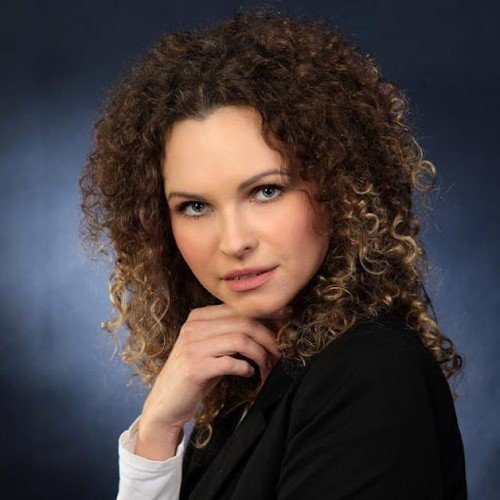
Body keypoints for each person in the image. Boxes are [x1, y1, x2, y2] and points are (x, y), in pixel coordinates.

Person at [78, 8, 468, 499]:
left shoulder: (369, 372)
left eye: (266, 191)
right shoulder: (247, 380)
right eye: (195, 206)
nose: (233, 241)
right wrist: (157, 432)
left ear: (338, 188)